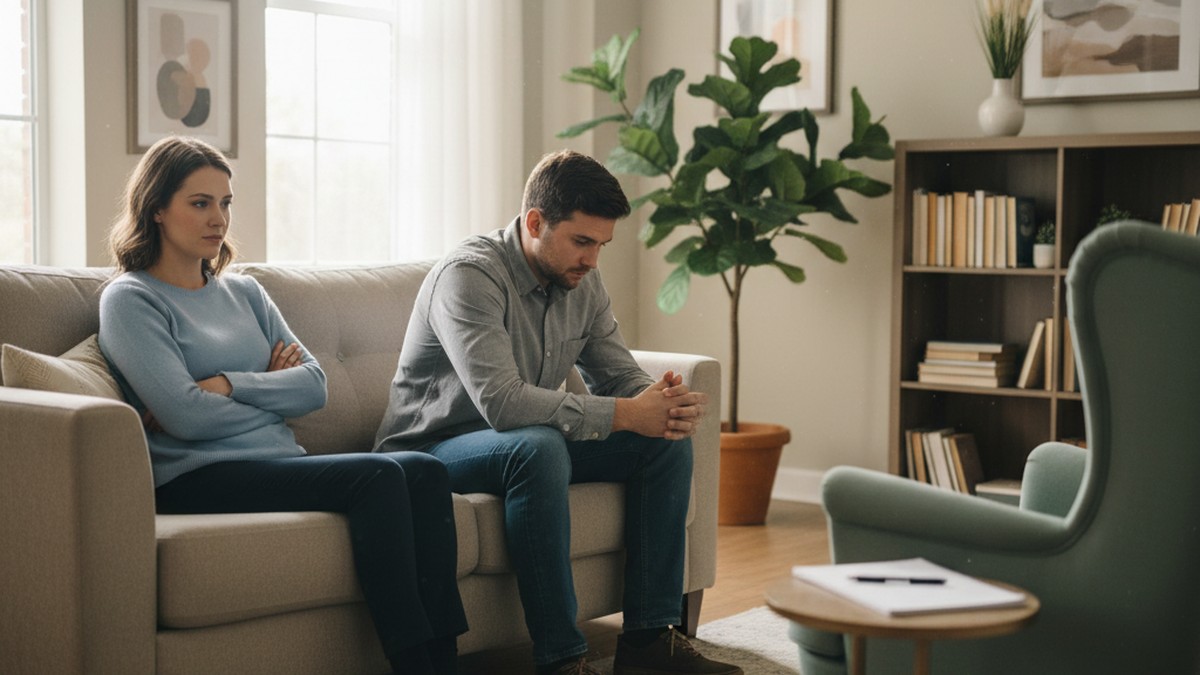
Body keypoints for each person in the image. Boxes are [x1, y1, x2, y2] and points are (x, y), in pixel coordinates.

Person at [99, 136, 466, 675]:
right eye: (199, 203)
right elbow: (185, 418)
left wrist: (226, 383)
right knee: (378, 477)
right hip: (196, 477)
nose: (218, 218)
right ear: (156, 209)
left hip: (276, 461)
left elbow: (314, 387)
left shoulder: (244, 292)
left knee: (425, 471)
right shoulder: (131, 300)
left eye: (225, 203)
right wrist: (270, 390)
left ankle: (447, 660)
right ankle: (415, 665)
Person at [374, 150, 742, 675]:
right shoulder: (469, 276)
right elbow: (502, 402)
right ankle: (562, 661)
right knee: (538, 446)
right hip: (432, 449)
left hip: (522, 441)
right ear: (534, 223)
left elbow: (617, 374)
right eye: (582, 241)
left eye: (602, 245)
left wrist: (658, 401)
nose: (592, 260)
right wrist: (624, 413)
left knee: (660, 442)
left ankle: (647, 646)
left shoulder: (581, 281)